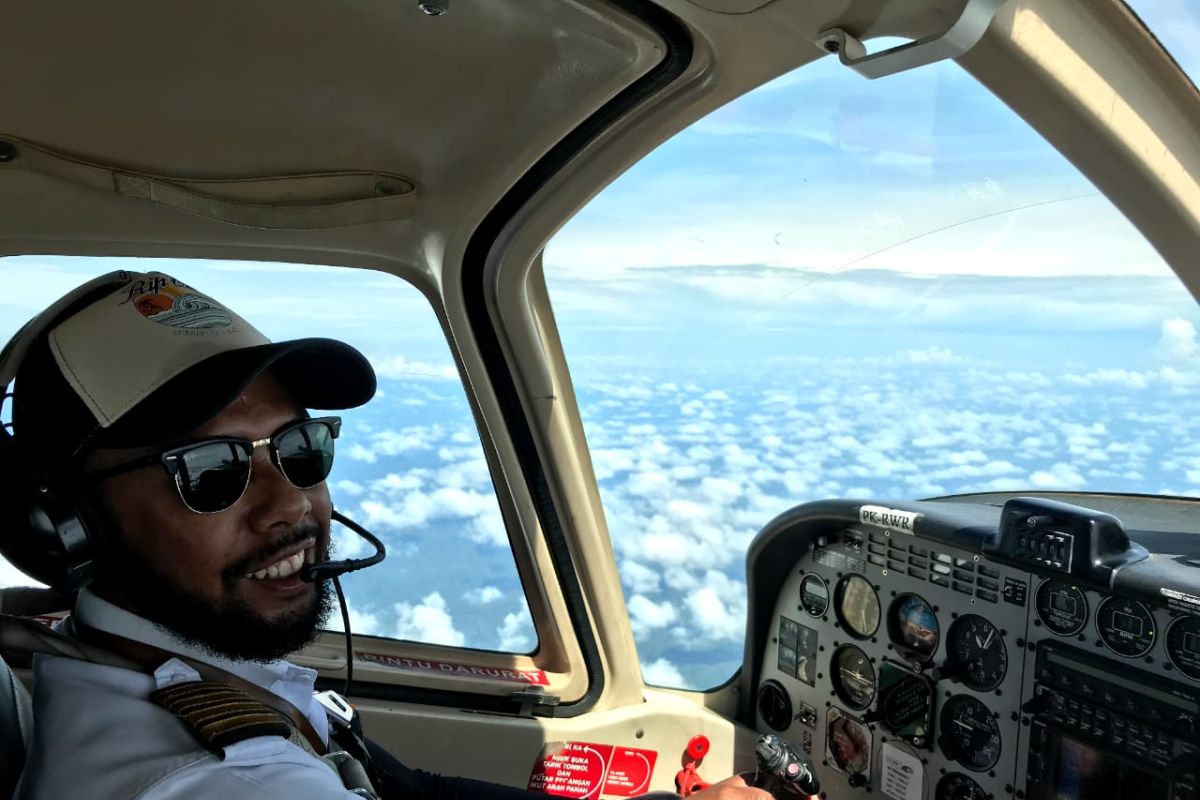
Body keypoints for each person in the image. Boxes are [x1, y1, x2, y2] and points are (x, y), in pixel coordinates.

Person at [0, 270, 775, 800]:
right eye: (211, 469)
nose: (293, 504)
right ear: (62, 521)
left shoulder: (139, 663)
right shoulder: (224, 781)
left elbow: (403, 787)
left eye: (302, 449)